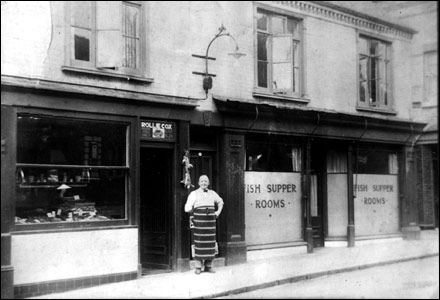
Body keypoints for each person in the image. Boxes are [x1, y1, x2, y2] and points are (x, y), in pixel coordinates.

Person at [184, 175, 224, 274]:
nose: (204, 183)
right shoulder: (194, 194)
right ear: (198, 183)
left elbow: (221, 202)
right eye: (202, 181)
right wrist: (194, 211)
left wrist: (217, 212)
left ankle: (208, 266)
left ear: (208, 183)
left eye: (206, 181)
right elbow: (187, 208)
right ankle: (198, 266)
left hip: (210, 223)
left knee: (210, 243)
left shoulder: (213, 193)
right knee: (198, 243)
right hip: (199, 222)